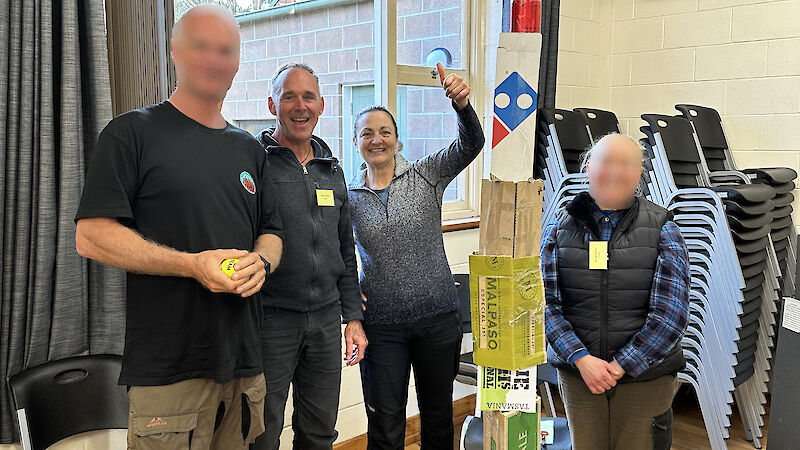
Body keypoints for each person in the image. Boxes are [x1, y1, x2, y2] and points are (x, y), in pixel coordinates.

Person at [74, 5, 282, 449]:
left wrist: (261, 262)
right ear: (175, 52)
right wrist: (192, 266)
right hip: (171, 368)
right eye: (200, 46)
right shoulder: (131, 133)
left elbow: (272, 232)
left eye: (225, 50)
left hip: (244, 362)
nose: (213, 59)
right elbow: (91, 235)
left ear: (237, 61)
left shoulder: (249, 149)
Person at [347, 63, 484, 450]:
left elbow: (471, 145)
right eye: (367, 133)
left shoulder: (427, 174)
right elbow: (340, 254)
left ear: (398, 141)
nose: (377, 140)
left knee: (438, 416)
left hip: (438, 322)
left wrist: (461, 106)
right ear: (357, 142)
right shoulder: (348, 196)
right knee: (386, 423)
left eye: (385, 132)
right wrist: (350, 312)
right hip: (381, 326)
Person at [541, 133, 691, 450]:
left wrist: (622, 365)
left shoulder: (663, 227)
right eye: (606, 161)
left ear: (639, 174)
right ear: (587, 167)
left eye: (626, 164)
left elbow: (671, 315)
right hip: (579, 374)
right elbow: (545, 304)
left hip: (646, 375)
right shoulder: (559, 226)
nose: (614, 172)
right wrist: (582, 359)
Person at [251, 63, 367, 450]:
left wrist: (352, 316)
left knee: (319, 431)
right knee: (261, 432)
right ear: (272, 104)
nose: (299, 106)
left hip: (323, 321)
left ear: (322, 106)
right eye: (289, 96)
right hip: (271, 320)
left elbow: (344, 249)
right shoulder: (255, 164)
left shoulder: (331, 171)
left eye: (308, 97)